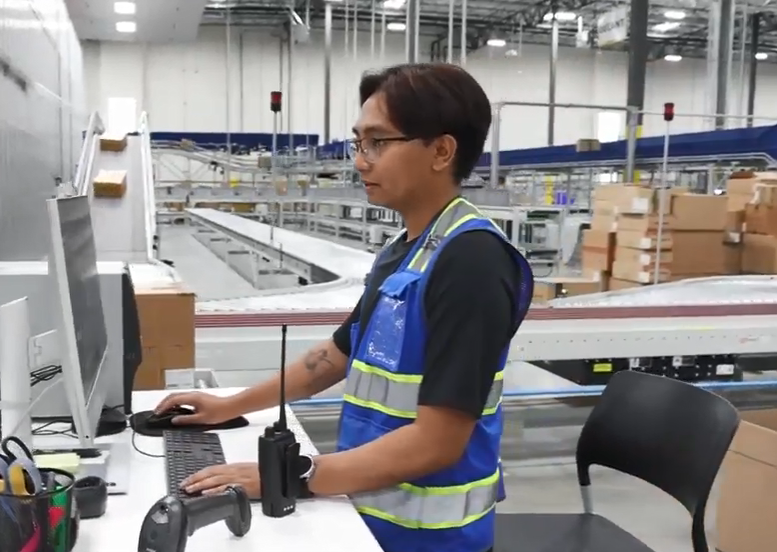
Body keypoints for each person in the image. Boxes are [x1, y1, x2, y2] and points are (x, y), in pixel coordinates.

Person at [154, 63, 534, 552]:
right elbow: (334, 357)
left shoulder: (472, 262)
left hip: (429, 538)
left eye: (378, 142)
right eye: (358, 143)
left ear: (441, 150)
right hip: (369, 514)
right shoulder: (407, 248)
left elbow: (438, 442)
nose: (360, 160)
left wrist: (291, 475)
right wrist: (229, 405)